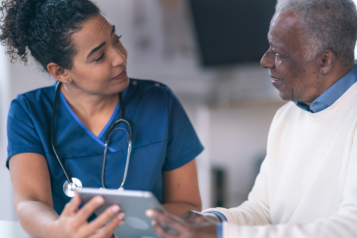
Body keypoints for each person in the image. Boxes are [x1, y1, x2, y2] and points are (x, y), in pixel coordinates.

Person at [146, 0, 357, 237]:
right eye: (269, 47)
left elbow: (350, 228)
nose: (265, 61)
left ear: (325, 61)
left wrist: (220, 234)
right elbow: (262, 210)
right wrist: (212, 220)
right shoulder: (287, 116)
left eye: (279, 54)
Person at [0, 0, 203, 237]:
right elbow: (30, 203)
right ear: (60, 72)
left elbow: (188, 204)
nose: (119, 58)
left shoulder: (160, 102)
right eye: (98, 57)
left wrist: (124, 229)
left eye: (116, 39)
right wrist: (58, 230)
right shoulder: (29, 112)